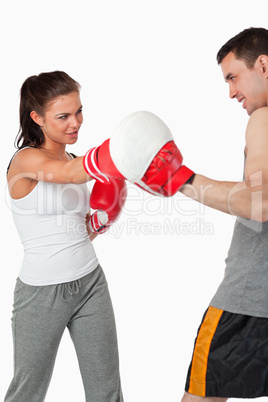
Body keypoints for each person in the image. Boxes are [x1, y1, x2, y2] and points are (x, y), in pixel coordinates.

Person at [5, 71, 125, 401]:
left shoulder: (74, 158)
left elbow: (78, 229)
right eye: (63, 116)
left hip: (91, 283)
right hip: (41, 294)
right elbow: (69, 174)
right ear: (37, 117)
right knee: (28, 391)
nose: (75, 123)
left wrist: (100, 221)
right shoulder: (26, 161)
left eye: (79, 111)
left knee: (107, 390)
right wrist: (130, 146)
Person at [178, 27, 268, 401]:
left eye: (233, 77)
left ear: (263, 65)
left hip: (249, 303)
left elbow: (259, 203)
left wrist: (180, 180)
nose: (231, 92)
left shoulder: (263, 119)